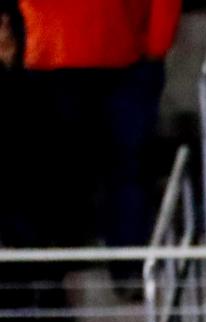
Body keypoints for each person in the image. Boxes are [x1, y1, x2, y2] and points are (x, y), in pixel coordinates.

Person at [13, 0, 178, 249]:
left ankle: (119, 268)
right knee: (68, 174)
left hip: (111, 58)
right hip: (61, 55)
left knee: (120, 173)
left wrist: (157, 43)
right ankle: (107, 267)